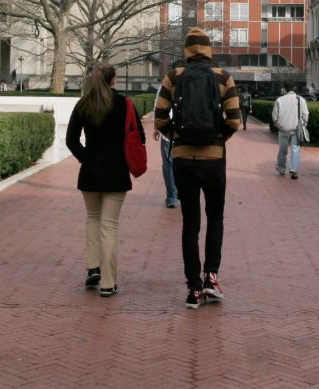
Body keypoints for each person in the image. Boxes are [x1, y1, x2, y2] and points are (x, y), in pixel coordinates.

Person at [154, 28, 240, 309]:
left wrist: (177, 137)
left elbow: (160, 118)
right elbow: (234, 119)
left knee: (190, 224)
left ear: (187, 51)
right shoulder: (223, 77)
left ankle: (193, 289)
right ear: (209, 49)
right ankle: (210, 279)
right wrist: (218, 138)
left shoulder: (173, 77)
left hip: (182, 159)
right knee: (216, 217)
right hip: (214, 160)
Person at [66, 64, 144, 297]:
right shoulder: (125, 104)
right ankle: (108, 283)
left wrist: (86, 157)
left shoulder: (83, 104)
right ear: (114, 80)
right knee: (109, 226)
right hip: (116, 171)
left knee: (93, 220)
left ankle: (93, 269)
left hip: (90, 170)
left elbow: (71, 140)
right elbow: (138, 135)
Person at [271, 83, 309, 180]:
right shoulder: (301, 100)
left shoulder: (279, 100)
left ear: (285, 89)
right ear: (294, 88)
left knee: (282, 150)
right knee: (295, 149)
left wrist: (277, 124)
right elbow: (305, 114)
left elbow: (275, 115)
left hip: (283, 128)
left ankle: (281, 169)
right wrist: (303, 125)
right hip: (296, 128)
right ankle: (294, 170)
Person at [153, 85, 178, 209]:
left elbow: (158, 108)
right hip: (187, 133)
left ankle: (172, 197)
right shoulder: (193, 82)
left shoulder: (165, 86)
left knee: (169, 164)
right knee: (186, 163)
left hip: (168, 132)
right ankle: (183, 193)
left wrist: (156, 128)